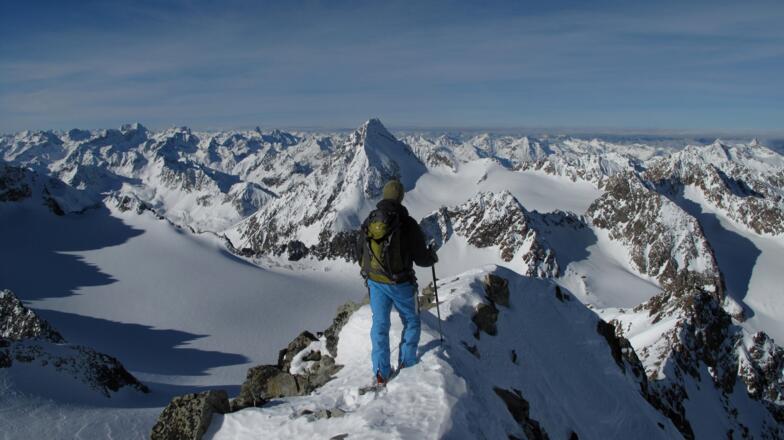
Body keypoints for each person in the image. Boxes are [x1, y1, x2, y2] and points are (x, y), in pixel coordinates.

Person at [357, 179, 438, 385]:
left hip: (375, 283)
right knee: (411, 321)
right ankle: (407, 363)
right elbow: (421, 258)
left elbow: (359, 252)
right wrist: (431, 257)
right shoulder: (406, 223)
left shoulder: (369, 220)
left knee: (380, 325)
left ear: (384, 196)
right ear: (401, 197)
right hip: (401, 283)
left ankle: (381, 373)